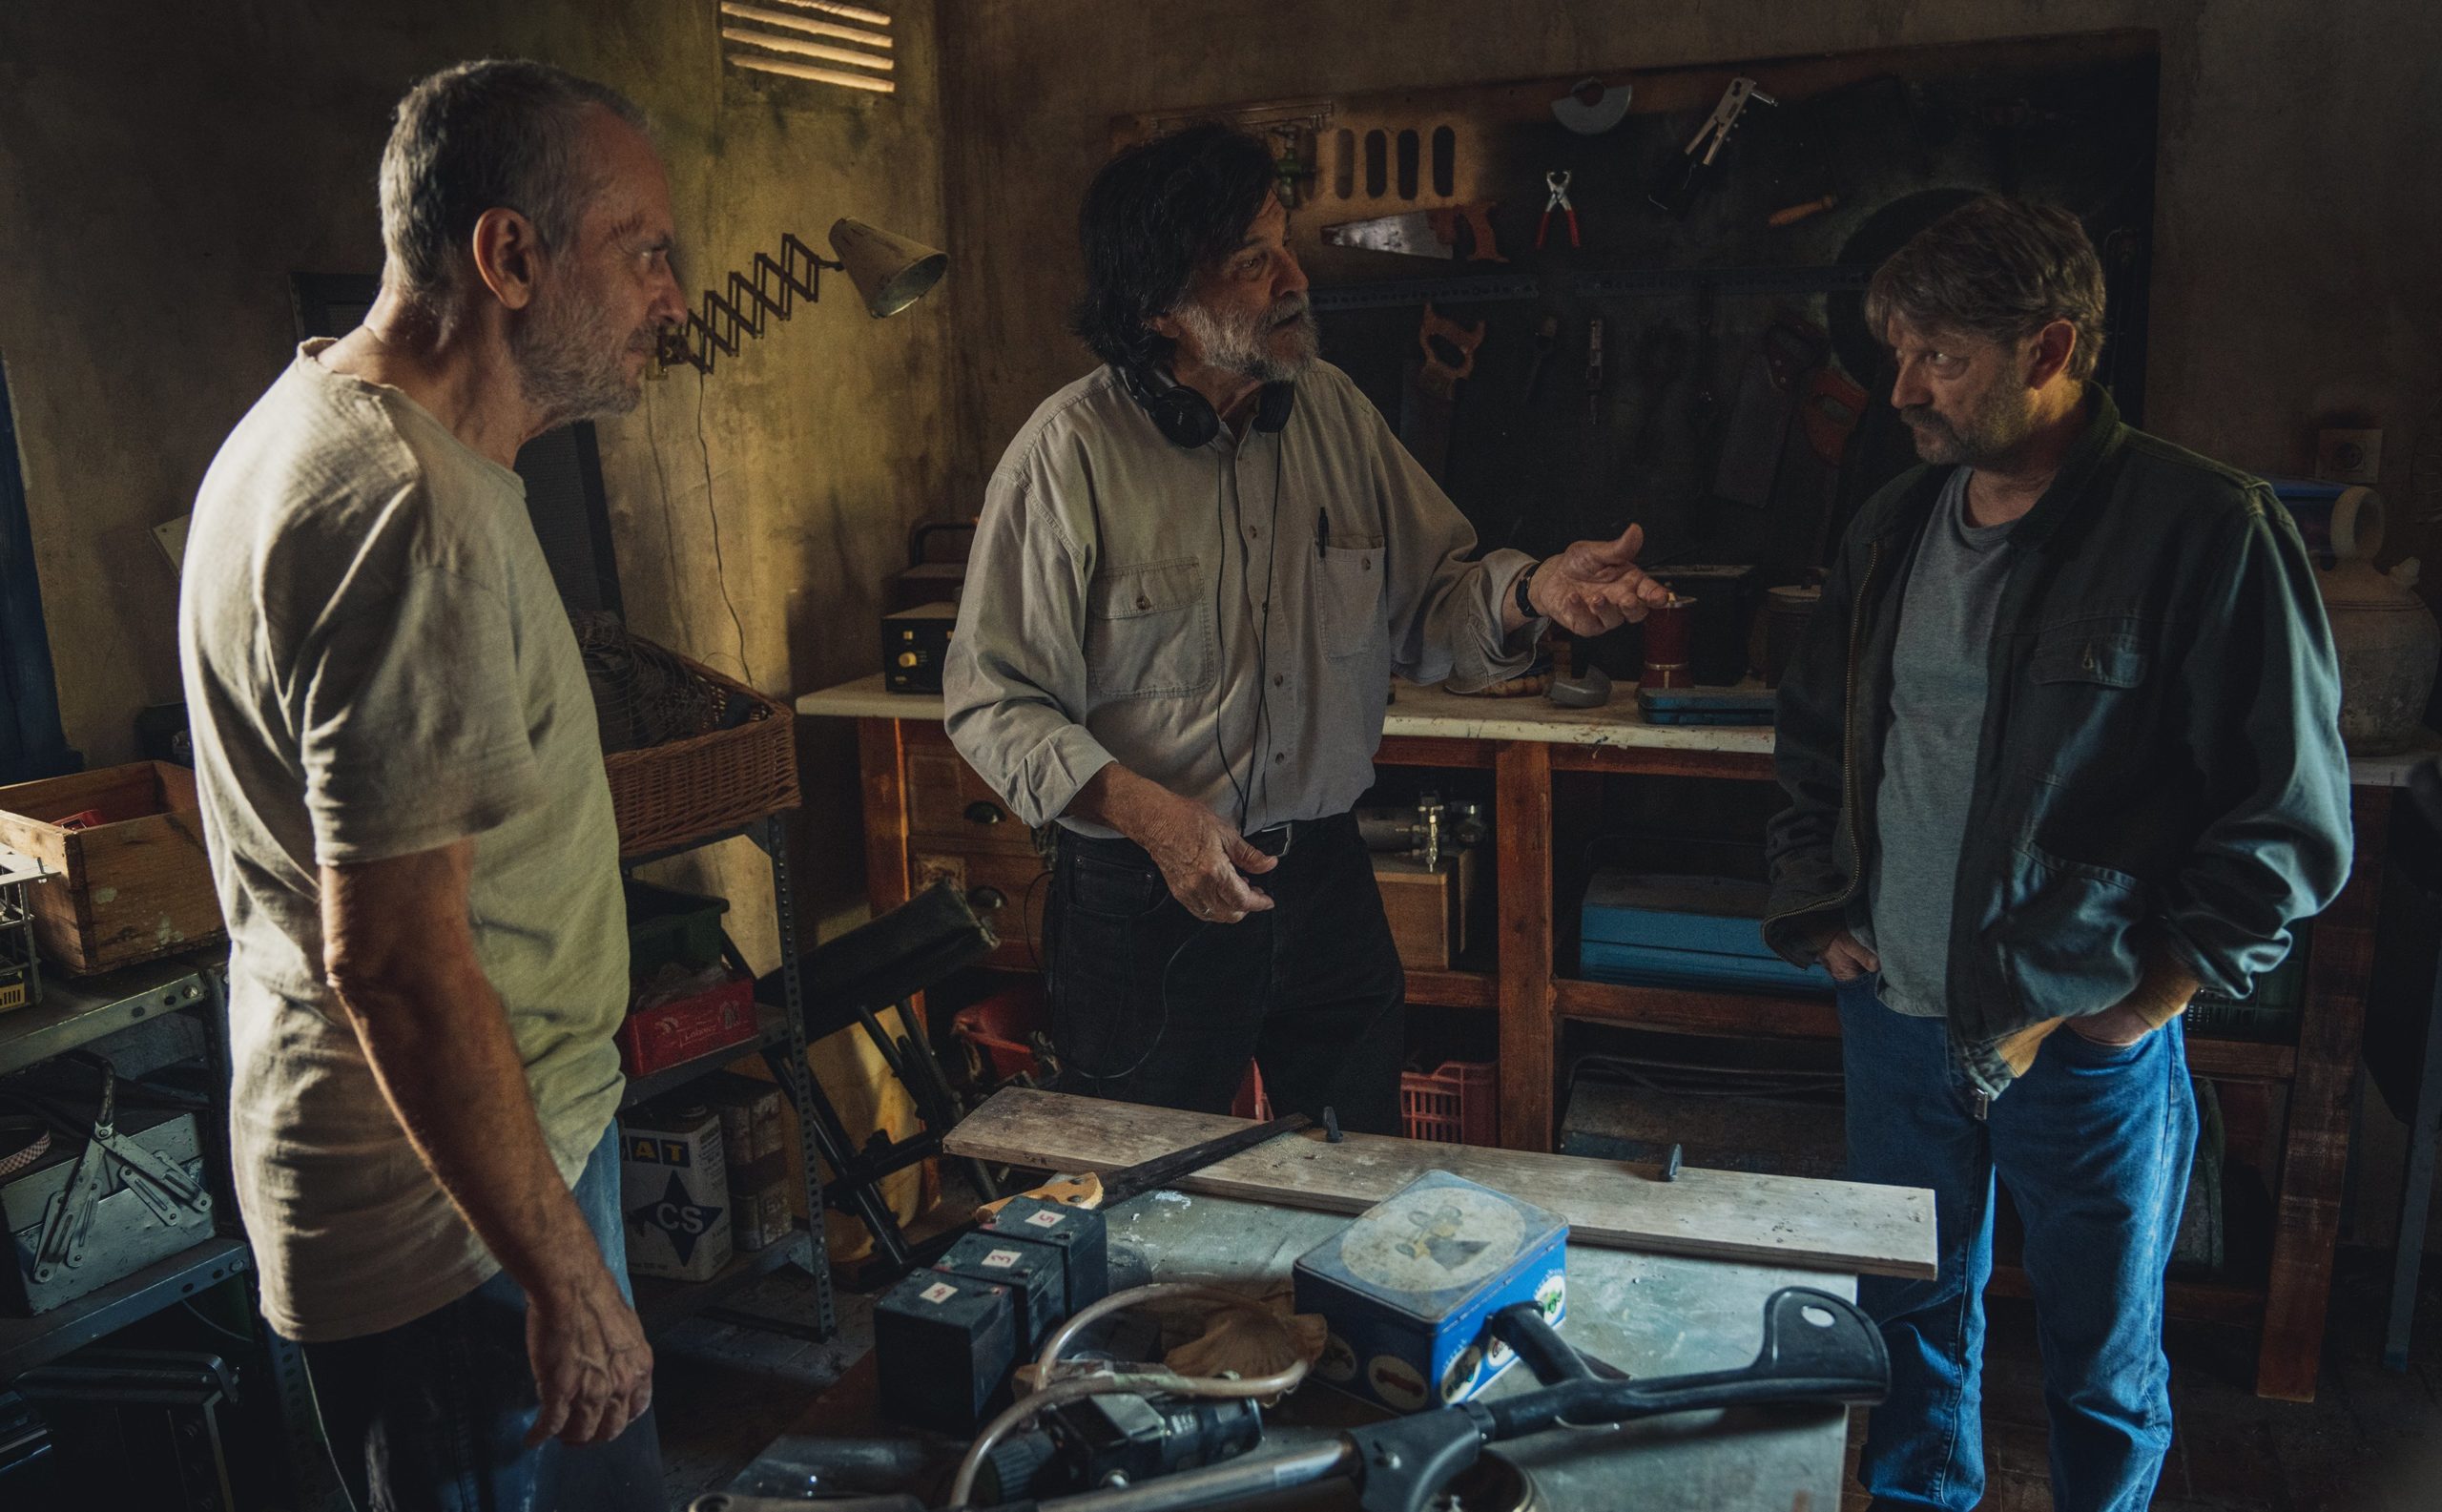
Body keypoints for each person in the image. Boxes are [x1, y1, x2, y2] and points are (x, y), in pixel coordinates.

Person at [1763, 196, 2351, 1512]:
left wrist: (2143, 1002)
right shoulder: (1892, 526)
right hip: (1895, 1014)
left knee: (2101, 1359)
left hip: (2081, 1036)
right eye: (1899, 353)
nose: (1902, 391)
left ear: (2049, 348)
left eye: (1940, 357)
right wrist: (1826, 913)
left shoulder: (2205, 527)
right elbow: (1813, 741)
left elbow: (2288, 817)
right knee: (1909, 1326)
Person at [178, 59, 686, 1510]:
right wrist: (563, 1274)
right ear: (508, 256)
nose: (671, 298)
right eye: (642, 252)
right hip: (460, 1229)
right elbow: (396, 961)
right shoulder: (411, 508)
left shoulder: (309, 425)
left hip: (459, 1184)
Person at [943, 123, 1667, 1133]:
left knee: (1356, 1167)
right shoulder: (1065, 458)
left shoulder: (1333, 412)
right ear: (1160, 306)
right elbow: (993, 703)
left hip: (1323, 876)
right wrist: (1154, 818)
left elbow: (1434, 601)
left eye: (1283, 243)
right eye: (1253, 261)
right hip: (1149, 891)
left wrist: (1535, 592)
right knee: (1153, 1186)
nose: (1295, 278)